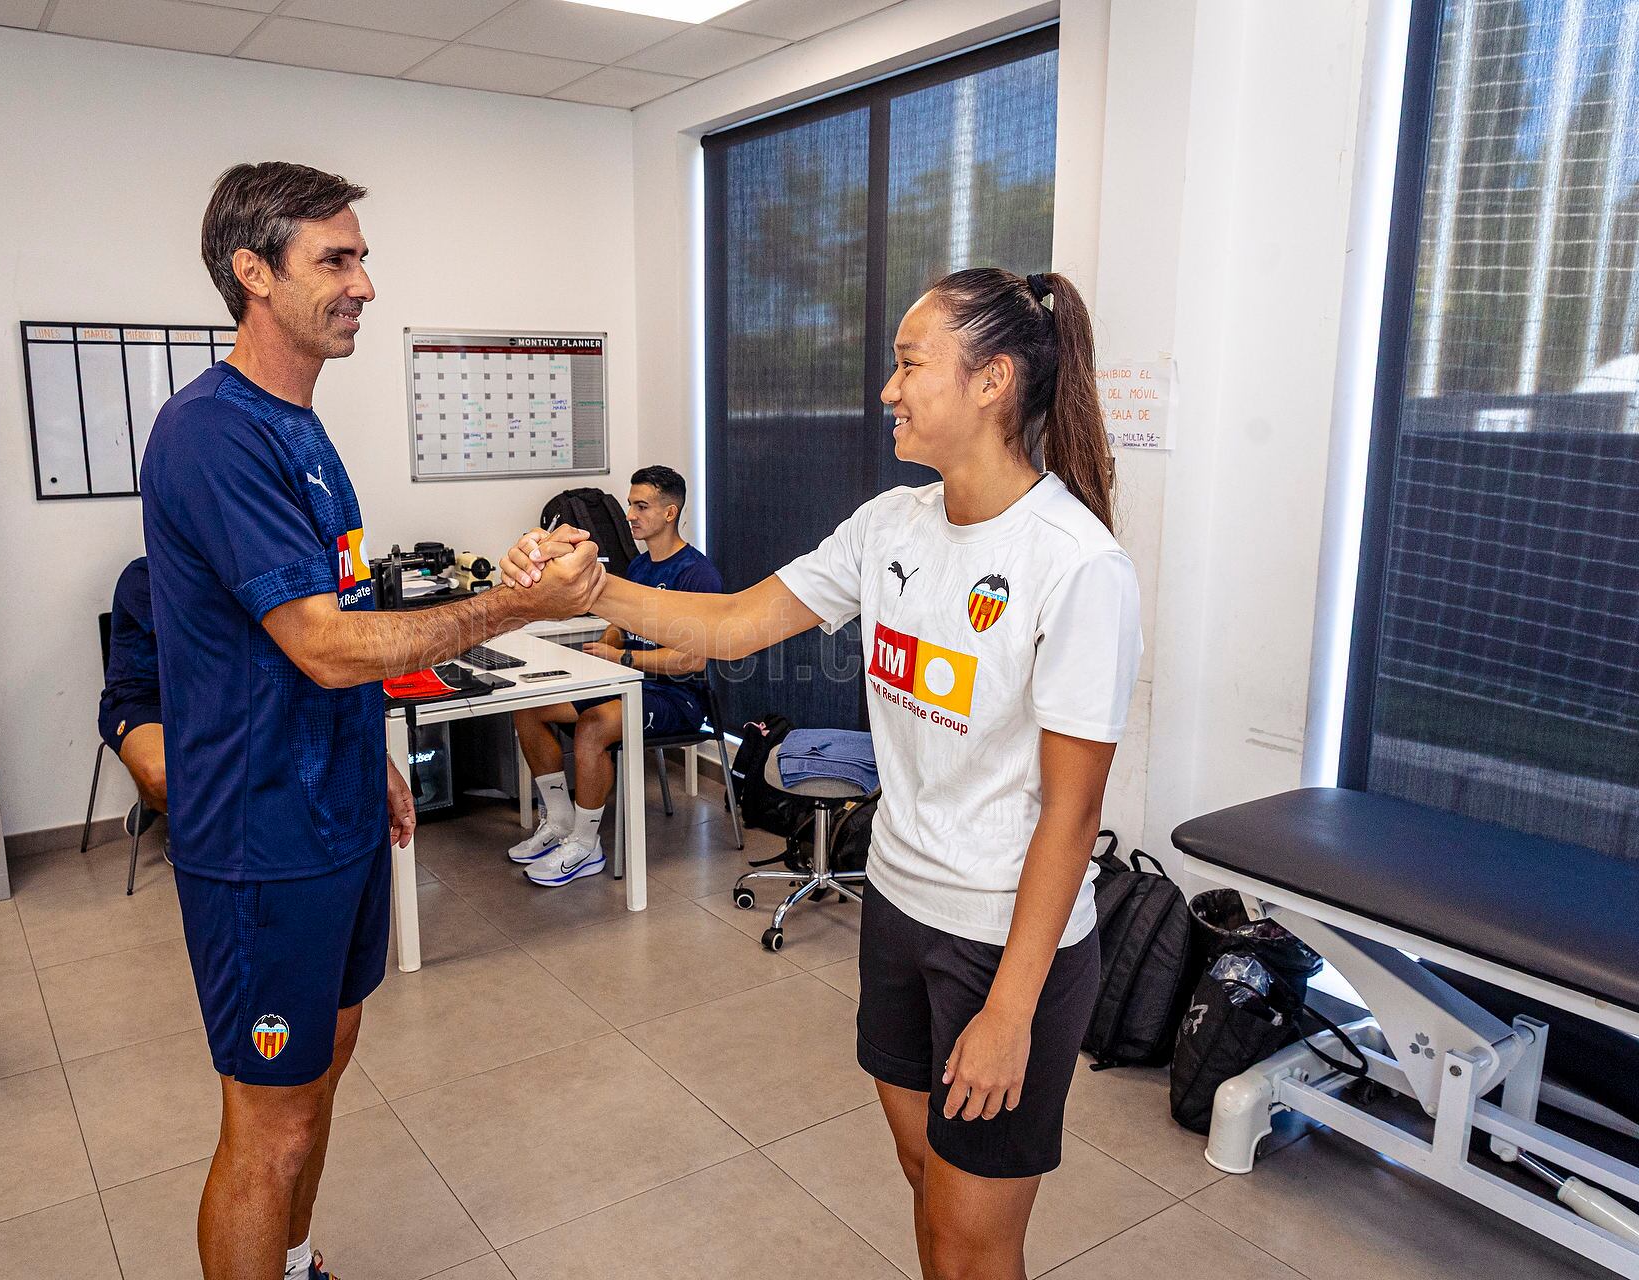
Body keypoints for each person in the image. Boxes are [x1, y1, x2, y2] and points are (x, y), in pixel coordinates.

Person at [505, 269, 1140, 1280]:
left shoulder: (1076, 563)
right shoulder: (891, 525)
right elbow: (732, 620)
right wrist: (598, 587)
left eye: (908, 362)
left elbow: (1073, 814)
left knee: (979, 1240)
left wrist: (1013, 1010)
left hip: (1004, 938)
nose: (887, 388)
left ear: (993, 381)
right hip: (898, 904)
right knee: (924, 1178)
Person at [141, 161, 603, 1280]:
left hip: (332, 801)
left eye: (361, 257)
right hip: (262, 836)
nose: (365, 284)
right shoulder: (214, 433)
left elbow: (332, 628)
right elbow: (321, 641)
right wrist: (508, 603)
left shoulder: (301, 431)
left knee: (328, 1062)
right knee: (269, 1118)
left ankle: (293, 1263)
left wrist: (372, 756)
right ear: (253, 273)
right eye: (336, 260)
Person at [508, 466, 723, 886]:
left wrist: (621, 657)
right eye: (629, 504)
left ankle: (586, 846)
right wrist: (609, 641)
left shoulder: (698, 575)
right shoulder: (640, 567)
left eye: (641, 506)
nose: (630, 514)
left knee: (593, 726)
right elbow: (619, 625)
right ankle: (560, 821)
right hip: (629, 686)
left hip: (678, 700)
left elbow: (691, 661)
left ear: (669, 513)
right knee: (529, 709)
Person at [97, 555, 165, 839]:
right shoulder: (142, 575)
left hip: (198, 700)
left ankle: (166, 803)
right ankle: (159, 801)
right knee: (163, 775)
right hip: (138, 700)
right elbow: (196, 641)